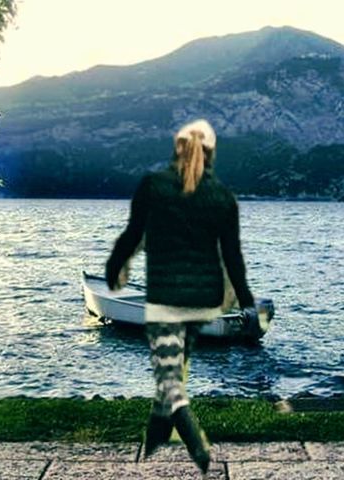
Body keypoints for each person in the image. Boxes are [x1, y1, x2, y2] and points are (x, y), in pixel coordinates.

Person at [105, 119, 256, 475]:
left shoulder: (153, 185)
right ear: (212, 153)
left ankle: (197, 447)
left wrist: (115, 266)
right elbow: (233, 257)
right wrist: (247, 302)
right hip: (204, 302)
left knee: (170, 381)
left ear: (177, 147)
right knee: (171, 371)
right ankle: (154, 439)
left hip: (167, 299)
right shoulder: (223, 196)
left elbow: (133, 234)